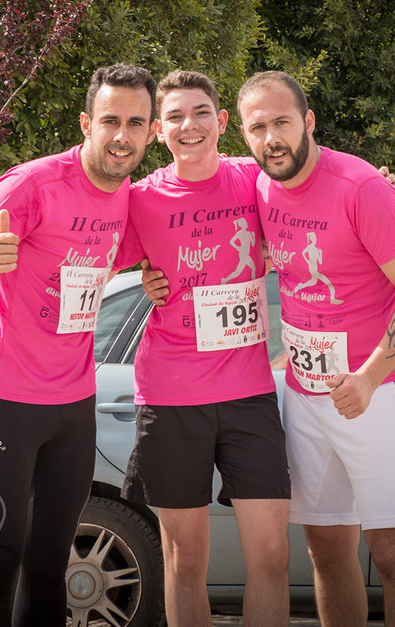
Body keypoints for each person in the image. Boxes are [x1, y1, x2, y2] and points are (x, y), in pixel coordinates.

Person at [0, 63, 157, 627]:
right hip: (4, 401)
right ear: (86, 123)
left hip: (73, 407)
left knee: (51, 565)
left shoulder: (132, 200)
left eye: (135, 123)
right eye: (110, 121)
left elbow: (216, 186)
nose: (121, 136)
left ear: (152, 131)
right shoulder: (33, 185)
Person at [238, 71, 395, 627]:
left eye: (282, 122)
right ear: (246, 137)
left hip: (379, 391)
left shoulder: (362, 187)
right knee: (325, 550)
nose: (272, 137)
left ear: (308, 122)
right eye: (258, 128)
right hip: (304, 396)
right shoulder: (255, 184)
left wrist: (369, 377)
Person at [114, 70, 291, 626]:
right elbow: (81, 253)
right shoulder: (138, 199)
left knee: (271, 555)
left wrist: (382, 182)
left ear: (221, 123)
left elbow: (324, 189)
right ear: (159, 132)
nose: (187, 125)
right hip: (170, 397)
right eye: (173, 117)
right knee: (184, 558)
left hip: (249, 394)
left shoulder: (255, 180)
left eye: (199, 113)